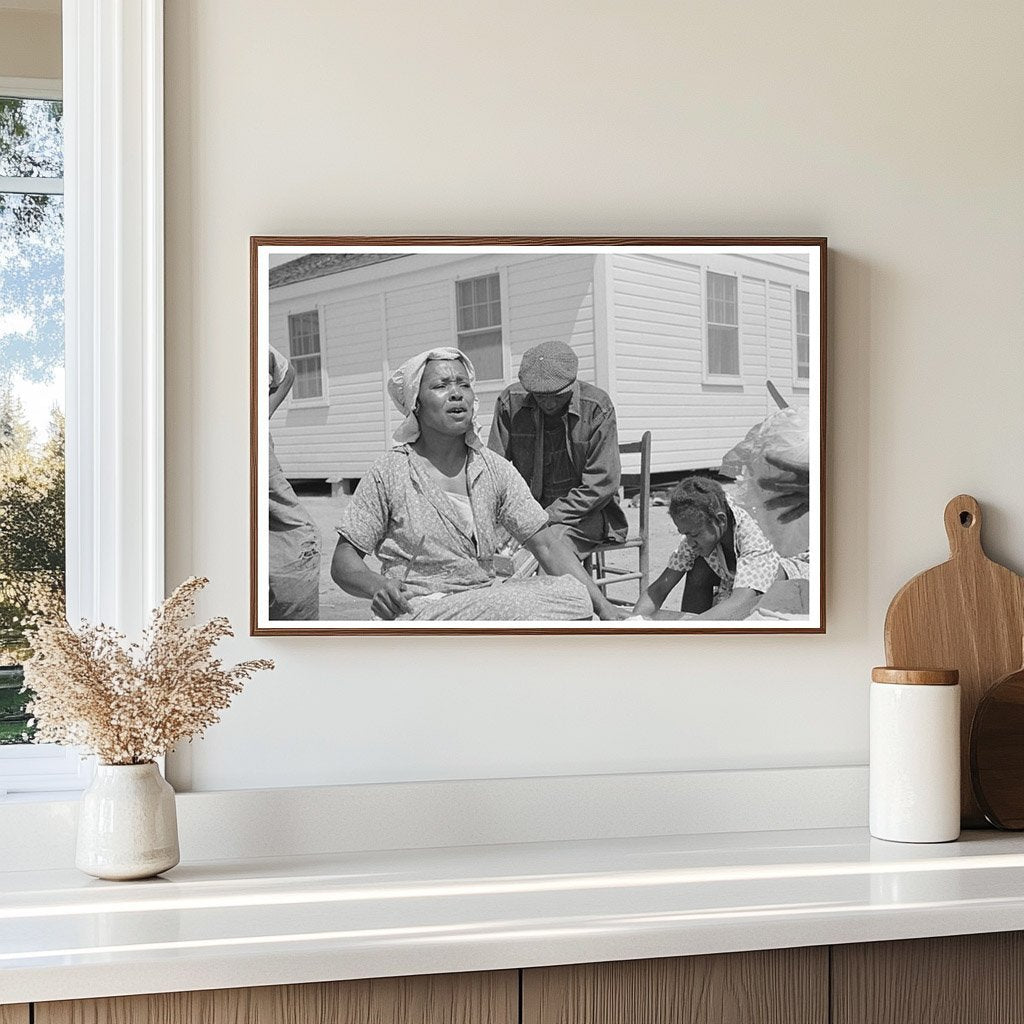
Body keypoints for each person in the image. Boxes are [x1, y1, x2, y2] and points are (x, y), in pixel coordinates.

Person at [331, 347, 626, 622]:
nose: (456, 394)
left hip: (483, 601)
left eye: (464, 384)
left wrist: (606, 609)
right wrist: (378, 585)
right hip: (420, 606)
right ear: (415, 403)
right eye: (441, 386)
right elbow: (344, 561)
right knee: (508, 603)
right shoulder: (391, 471)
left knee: (572, 594)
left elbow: (546, 545)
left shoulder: (493, 469)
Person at [487, 340, 627, 559]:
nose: (550, 404)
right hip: (528, 511)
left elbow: (600, 485)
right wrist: (505, 520)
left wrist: (541, 518)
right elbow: (493, 473)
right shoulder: (510, 403)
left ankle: (567, 592)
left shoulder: (597, 407)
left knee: (548, 554)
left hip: (586, 513)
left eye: (558, 395)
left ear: (572, 384)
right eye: (541, 397)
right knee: (491, 553)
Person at [632, 476, 782, 621]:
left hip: (774, 604)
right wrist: (634, 621)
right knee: (698, 566)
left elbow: (740, 602)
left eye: (694, 534)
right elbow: (659, 589)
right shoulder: (698, 534)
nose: (690, 542)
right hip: (732, 595)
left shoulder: (752, 538)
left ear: (721, 520)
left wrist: (687, 628)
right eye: (686, 534)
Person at [267, 345, 321, 620]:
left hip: (251, 446)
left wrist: (259, 415)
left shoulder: (247, 337)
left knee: (296, 534)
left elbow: (286, 371)